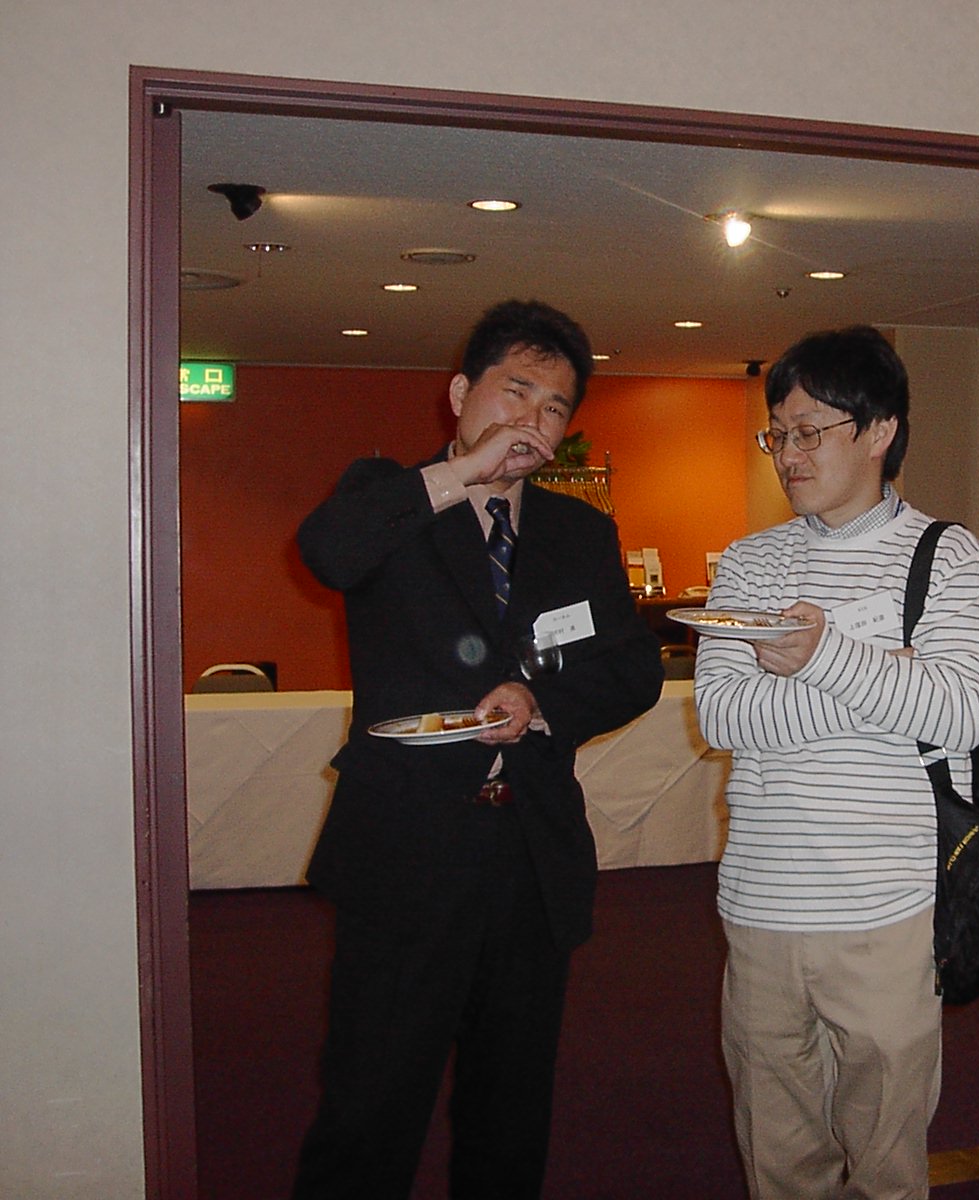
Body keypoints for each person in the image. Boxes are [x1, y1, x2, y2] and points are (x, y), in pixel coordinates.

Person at [291, 298, 664, 1198]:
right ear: (461, 394)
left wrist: (541, 703)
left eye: (554, 407)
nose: (532, 419)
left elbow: (632, 669)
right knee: (370, 1107)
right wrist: (460, 475)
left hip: (529, 857)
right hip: (406, 855)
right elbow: (328, 553)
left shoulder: (578, 531)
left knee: (510, 1112)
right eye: (516, 391)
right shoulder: (389, 497)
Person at [694, 326, 979, 1200]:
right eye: (778, 435)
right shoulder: (751, 562)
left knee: (885, 1165)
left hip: (888, 912)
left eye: (809, 432)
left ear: (879, 431)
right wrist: (883, 676)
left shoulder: (949, 558)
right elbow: (722, 714)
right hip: (759, 907)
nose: (788, 456)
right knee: (780, 1163)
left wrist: (820, 656)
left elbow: (959, 712)